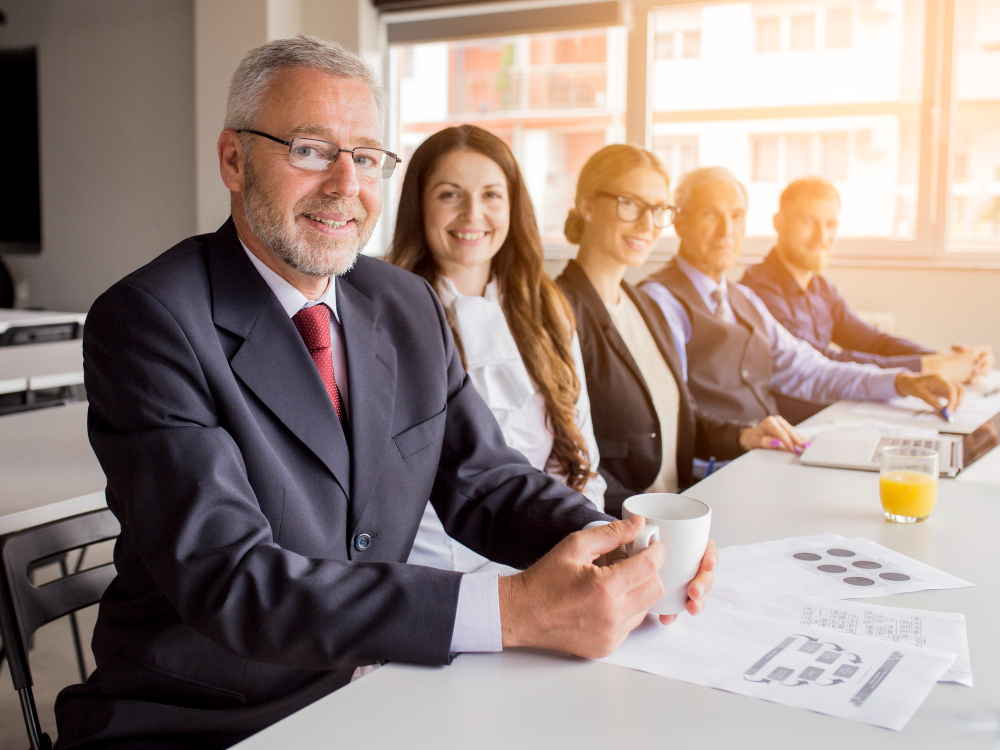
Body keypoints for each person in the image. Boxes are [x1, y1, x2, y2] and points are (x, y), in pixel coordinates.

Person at [53, 37, 716, 750]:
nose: (346, 184)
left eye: (367, 158)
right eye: (310, 149)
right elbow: (234, 578)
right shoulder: (151, 320)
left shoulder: (402, 303)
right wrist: (511, 611)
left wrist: (624, 547)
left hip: (382, 690)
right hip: (212, 720)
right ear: (233, 161)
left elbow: (485, 481)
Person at [385, 125, 605, 571]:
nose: (472, 214)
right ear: (419, 206)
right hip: (426, 572)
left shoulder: (547, 309)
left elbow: (580, 457)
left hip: (543, 557)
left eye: (491, 195)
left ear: (512, 206)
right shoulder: (382, 312)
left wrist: (588, 549)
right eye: (450, 194)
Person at [555, 145, 806, 515]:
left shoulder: (645, 306)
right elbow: (565, 453)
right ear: (587, 205)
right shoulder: (560, 309)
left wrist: (743, 435)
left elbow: (679, 417)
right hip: (623, 522)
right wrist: (646, 518)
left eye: (658, 210)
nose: (647, 225)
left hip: (676, 510)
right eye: (630, 204)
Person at [640, 167, 964, 427]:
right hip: (715, 467)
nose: (727, 230)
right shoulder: (660, 300)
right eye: (710, 214)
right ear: (679, 222)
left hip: (769, 448)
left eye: (737, 216)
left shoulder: (744, 299)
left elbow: (811, 370)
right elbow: (672, 413)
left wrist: (903, 383)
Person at [741, 176, 993, 383]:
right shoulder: (758, 290)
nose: (822, 236)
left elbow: (871, 341)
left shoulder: (820, 287)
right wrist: (929, 367)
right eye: (808, 222)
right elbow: (821, 362)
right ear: (779, 224)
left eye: (831, 224)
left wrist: (948, 357)